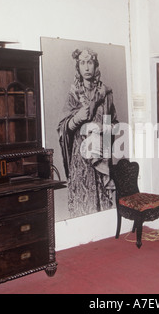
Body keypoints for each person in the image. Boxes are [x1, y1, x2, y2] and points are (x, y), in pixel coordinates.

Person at [57, 48, 118, 218]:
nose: (86, 67)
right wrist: (76, 118)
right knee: (83, 207)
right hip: (80, 158)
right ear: (78, 67)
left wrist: (102, 128)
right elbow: (63, 127)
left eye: (90, 62)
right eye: (82, 63)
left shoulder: (106, 93)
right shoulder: (73, 95)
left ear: (95, 65)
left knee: (102, 208)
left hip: (101, 154)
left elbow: (115, 124)